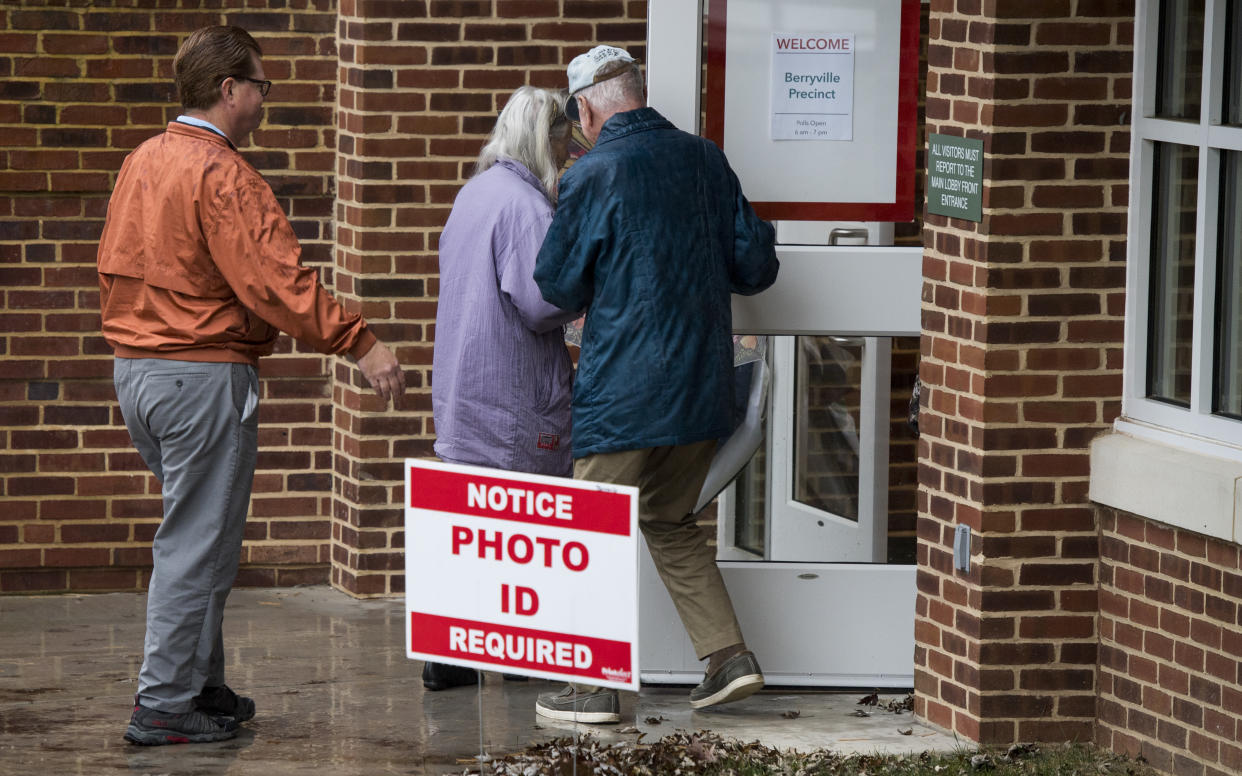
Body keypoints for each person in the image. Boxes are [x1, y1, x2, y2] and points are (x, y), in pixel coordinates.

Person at [97, 25, 405, 745]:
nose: (265, 98)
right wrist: (359, 341)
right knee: (196, 545)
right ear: (227, 88)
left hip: (137, 371)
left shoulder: (142, 160)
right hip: (200, 374)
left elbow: (113, 264)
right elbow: (275, 283)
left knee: (199, 537)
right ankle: (164, 707)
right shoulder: (223, 174)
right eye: (260, 85)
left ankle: (198, 686)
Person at [532, 46, 780, 724]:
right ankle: (728, 657)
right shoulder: (705, 159)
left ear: (585, 108)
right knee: (670, 520)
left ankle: (591, 687)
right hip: (702, 386)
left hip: (624, 393)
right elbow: (756, 266)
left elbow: (556, 282)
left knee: (589, 531)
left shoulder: (595, 173)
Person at [423, 86, 580, 691]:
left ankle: (450, 656)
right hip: (515, 396)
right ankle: (523, 655)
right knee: (523, 534)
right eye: (563, 148)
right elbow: (542, 305)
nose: (565, 160)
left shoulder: (474, 193)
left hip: (464, 390)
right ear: (545, 142)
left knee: (470, 530)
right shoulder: (527, 206)